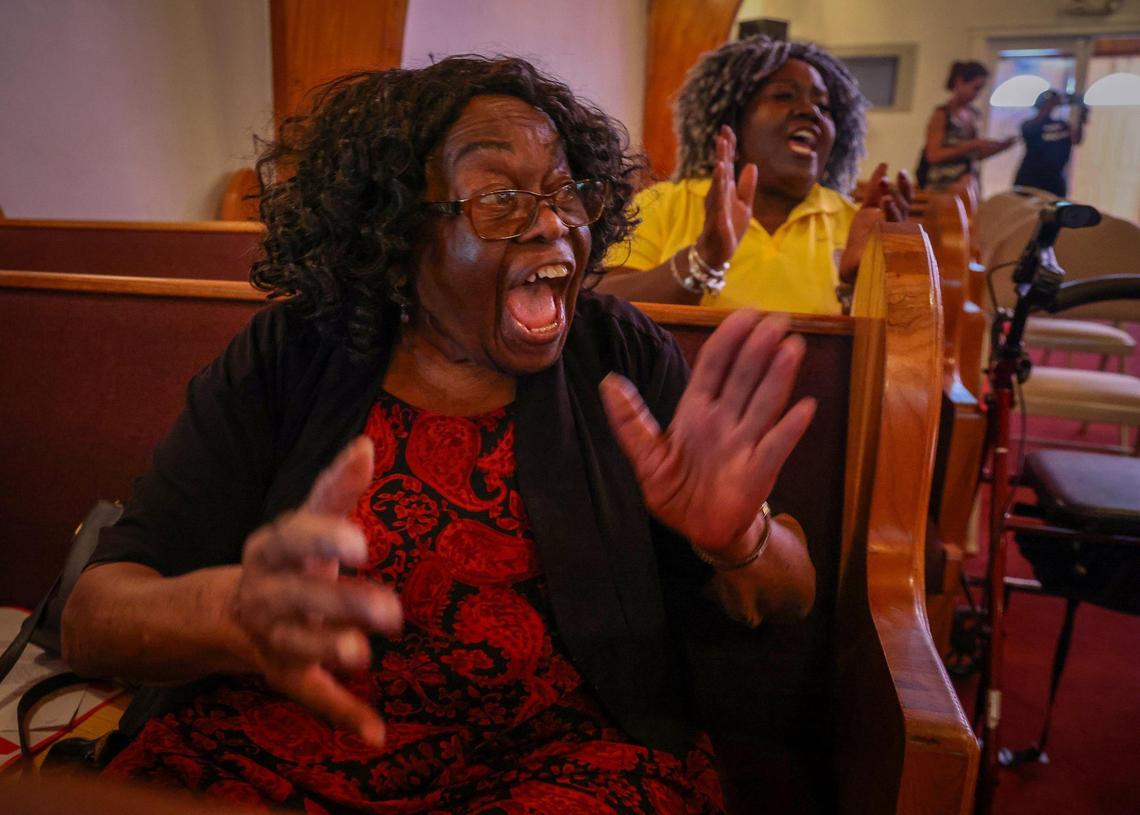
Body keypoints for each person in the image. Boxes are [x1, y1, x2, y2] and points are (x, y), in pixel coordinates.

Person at [60, 56, 818, 814]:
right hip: (280, 750)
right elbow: (93, 618)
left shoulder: (617, 353)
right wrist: (229, 616)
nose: (553, 221)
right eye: (498, 196)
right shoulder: (291, 354)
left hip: (558, 764)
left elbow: (788, 594)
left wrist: (737, 539)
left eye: (564, 190)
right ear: (396, 230)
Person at [597, 35, 912, 315]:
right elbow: (601, 302)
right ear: (734, 120)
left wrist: (860, 285)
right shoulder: (667, 204)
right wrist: (702, 261)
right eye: (784, 96)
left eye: (824, 106)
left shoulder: (852, 223)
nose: (810, 111)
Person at [918, 60, 1016, 192]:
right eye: (975, 88)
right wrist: (973, 144)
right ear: (959, 82)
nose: (977, 94)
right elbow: (933, 155)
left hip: (968, 185)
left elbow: (973, 156)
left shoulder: (973, 115)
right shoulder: (942, 115)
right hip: (943, 187)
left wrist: (1001, 147)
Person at [1013, 89, 1087, 197]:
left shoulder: (1062, 125)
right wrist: (1048, 105)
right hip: (1030, 178)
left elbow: (1076, 139)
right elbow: (1030, 131)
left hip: (1054, 180)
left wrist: (1081, 115)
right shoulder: (1029, 124)